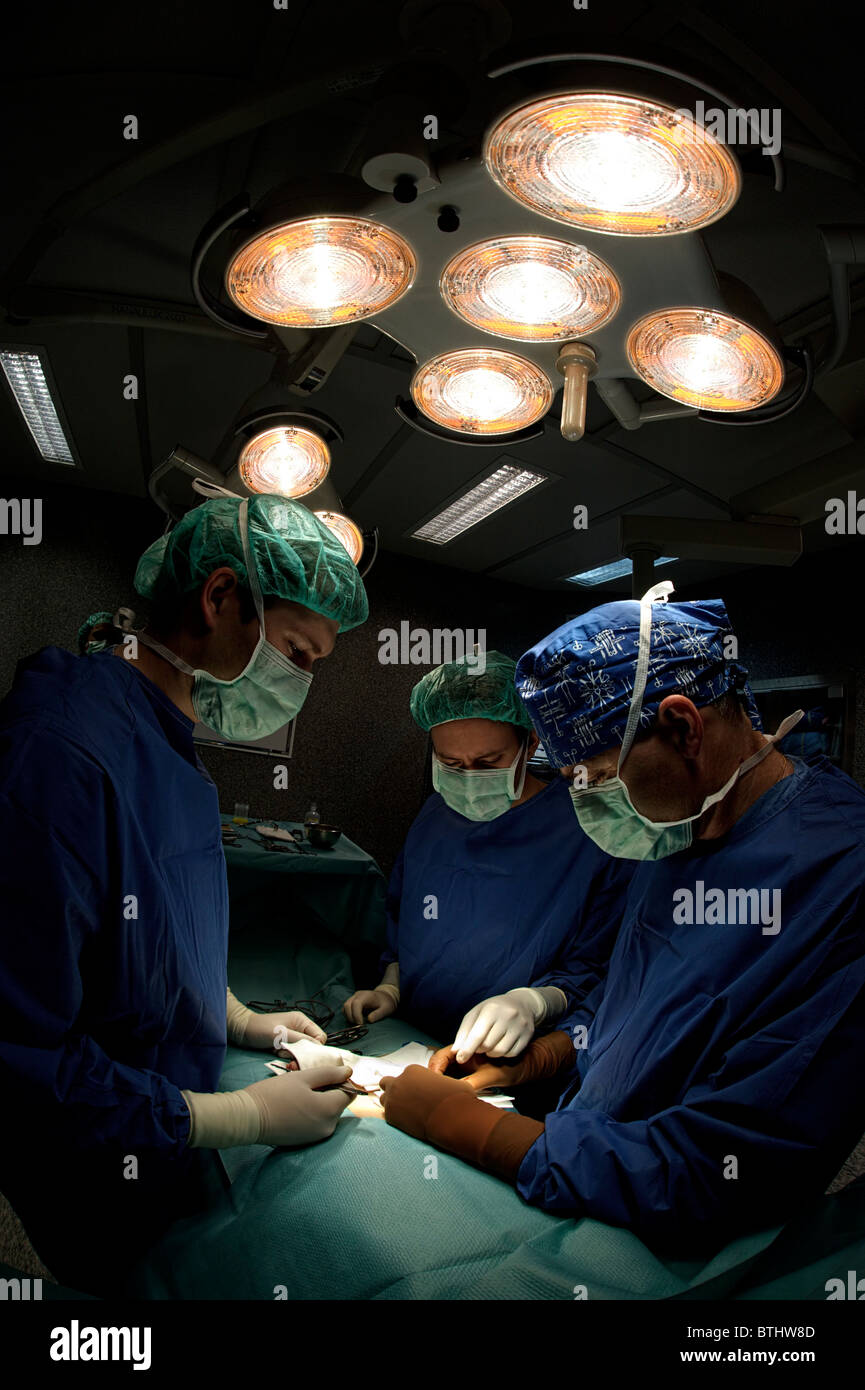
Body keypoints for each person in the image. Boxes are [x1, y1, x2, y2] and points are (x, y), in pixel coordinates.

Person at [379, 583, 865, 1252]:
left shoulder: (840, 880)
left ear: (682, 726)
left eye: (595, 776)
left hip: (674, 1244)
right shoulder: (675, 830)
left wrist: (477, 1132)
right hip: (579, 1161)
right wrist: (539, 1061)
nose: (581, 803)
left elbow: (722, 1170)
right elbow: (625, 1004)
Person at [0, 490, 368, 1294]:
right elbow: (16, 1057)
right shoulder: (60, 753)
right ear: (220, 596)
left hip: (163, 1136)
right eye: (298, 655)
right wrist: (232, 1118)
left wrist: (237, 1018)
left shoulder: (167, 741)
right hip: (88, 1170)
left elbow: (150, 934)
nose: (301, 684)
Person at [343, 652, 631, 1061]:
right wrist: (391, 985)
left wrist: (535, 1002)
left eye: (488, 762)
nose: (469, 777)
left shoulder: (592, 830)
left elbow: (600, 963)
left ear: (530, 742)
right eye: (450, 762)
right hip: (408, 1038)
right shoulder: (434, 816)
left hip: (511, 1061)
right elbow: (401, 915)